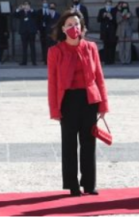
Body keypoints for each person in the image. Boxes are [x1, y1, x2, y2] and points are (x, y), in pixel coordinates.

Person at [47, 10, 109, 197]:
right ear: (63, 29)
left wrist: (103, 104)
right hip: (67, 100)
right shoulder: (55, 51)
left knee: (89, 142)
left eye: (77, 24)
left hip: (89, 99)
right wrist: (55, 109)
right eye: (69, 25)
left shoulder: (91, 48)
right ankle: (72, 185)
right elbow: (52, 82)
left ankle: (89, 184)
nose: (74, 28)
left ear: (82, 27)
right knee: (69, 144)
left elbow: (99, 76)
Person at [14, 1, 38, 66]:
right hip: (23, 32)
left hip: (31, 32)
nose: (26, 6)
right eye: (25, 5)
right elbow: (15, 15)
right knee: (24, 47)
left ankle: (34, 61)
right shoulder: (21, 12)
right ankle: (24, 61)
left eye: (27, 5)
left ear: (29, 6)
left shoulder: (32, 12)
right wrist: (18, 9)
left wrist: (30, 9)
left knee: (32, 47)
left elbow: (36, 14)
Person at [37, 0, 58, 65]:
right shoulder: (46, 14)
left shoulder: (58, 14)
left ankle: (55, 59)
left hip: (55, 32)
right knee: (47, 46)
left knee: (55, 46)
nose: (51, 8)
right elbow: (43, 21)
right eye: (50, 7)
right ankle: (46, 59)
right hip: (47, 32)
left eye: (53, 7)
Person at [97, 0, 118, 65]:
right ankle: (106, 60)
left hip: (112, 31)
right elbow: (98, 19)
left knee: (112, 45)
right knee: (106, 45)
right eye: (107, 4)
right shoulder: (101, 10)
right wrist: (103, 16)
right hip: (104, 31)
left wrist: (111, 17)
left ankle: (112, 60)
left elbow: (116, 21)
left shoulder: (114, 10)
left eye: (109, 4)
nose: (108, 5)